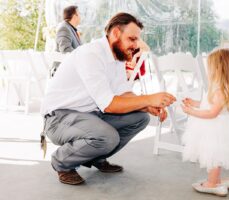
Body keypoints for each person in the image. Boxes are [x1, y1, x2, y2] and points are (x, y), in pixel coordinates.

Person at [40, 12, 176, 185]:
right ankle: (62, 162)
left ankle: (95, 157)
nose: (136, 45)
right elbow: (110, 105)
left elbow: (123, 93)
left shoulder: (117, 57)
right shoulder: (91, 54)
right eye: (132, 39)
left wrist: (146, 107)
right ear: (116, 33)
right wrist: (149, 99)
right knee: (108, 137)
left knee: (140, 118)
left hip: (91, 114)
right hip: (59, 118)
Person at [181, 48, 229, 197]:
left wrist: (192, 112)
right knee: (217, 154)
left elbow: (211, 113)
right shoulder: (225, 88)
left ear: (218, 69)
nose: (209, 72)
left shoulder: (219, 90)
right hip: (222, 126)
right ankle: (218, 179)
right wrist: (195, 103)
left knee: (213, 155)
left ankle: (212, 183)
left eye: (210, 68)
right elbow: (208, 104)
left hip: (214, 128)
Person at [51, 5, 82, 77]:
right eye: (79, 14)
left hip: (69, 70)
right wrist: (82, 56)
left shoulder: (70, 29)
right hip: (62, 72)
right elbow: (66, 50)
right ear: (74, 16)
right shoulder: (64, 28)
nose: (80, 17)